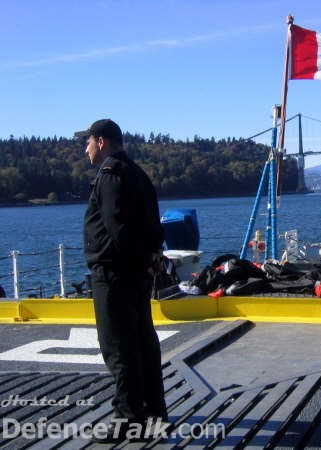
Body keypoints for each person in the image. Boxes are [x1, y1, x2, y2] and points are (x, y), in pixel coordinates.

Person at [76, 119, 167, 441]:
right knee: (142, 341)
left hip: (115, 273)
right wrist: (153, 257)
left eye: (87, 142)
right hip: (137, 272)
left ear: (101, 141)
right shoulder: (137, 173)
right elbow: (153, 222)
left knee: (118, 346)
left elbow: (118, 228)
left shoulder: (111, 175)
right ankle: (154, 410)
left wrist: (142, 259)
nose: (84, 148)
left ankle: (129, 418)